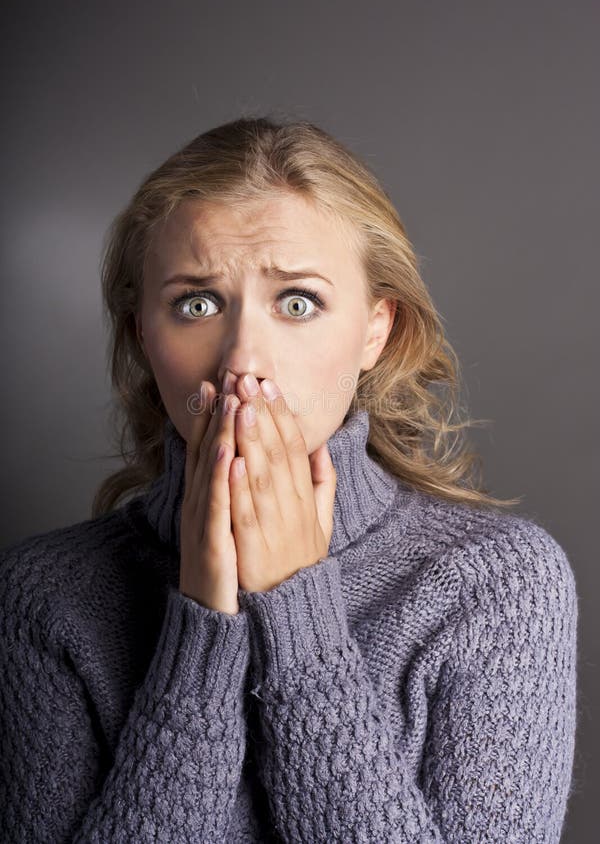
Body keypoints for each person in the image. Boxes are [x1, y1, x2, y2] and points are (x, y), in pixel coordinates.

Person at [0, 116, 578, 842]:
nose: (243, 360)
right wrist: (201, 634)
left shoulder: (495, 585)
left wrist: (297, 611)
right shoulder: (44, 596)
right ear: (144, 333)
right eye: (196, 304)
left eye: (297, 302)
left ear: (376, 330)